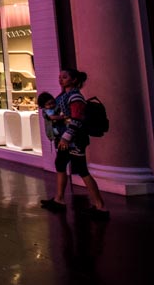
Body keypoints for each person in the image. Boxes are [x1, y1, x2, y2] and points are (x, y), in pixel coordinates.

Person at [39, 68, 109, 219]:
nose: (61, 80)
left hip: (74, 139)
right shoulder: (64, 95)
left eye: (64, 77)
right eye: (60, 77)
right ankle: (59, 199)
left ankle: (100, 206)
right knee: (60, 165)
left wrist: (66, 137)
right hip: (66, 140)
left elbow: (76, 118)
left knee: (82, 170)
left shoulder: (75, 96)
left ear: (74, 79)